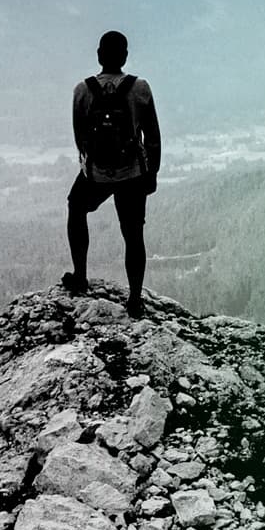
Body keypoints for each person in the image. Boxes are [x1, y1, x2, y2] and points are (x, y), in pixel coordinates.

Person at [62, 29, 161, 316]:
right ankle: (134, 299)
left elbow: (80, 135)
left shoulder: (82, 90)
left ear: (99, 55)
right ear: (125, 56)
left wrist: (94, 165)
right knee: (133, 233)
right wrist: (151, 173)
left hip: (96, 174)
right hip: (132, 173)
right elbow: (152, 135)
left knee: (76, 206)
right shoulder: (140, 87)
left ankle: (80, 276)